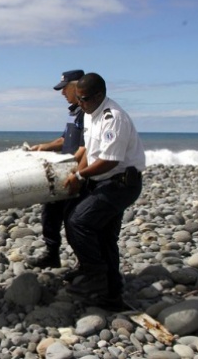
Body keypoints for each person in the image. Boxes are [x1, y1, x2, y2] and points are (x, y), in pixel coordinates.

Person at [63, 73, 145, 309]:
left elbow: (109, 160)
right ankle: (112, 295)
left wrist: (80, 175)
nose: (80, 103)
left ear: (99, 95)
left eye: (84, 99)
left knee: (79, 222)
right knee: (103, 236)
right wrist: (79, 175)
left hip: (121, 183)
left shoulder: (113, 118)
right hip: (103, 181)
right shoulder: (90, 113)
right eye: (78, 98)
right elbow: (90, 150)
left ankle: (95, 276)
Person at [26, 69, 85, 269]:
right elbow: (64, 140)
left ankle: (84, 264)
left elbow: (87, 148)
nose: (62, 93)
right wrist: (44, 147)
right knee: (50, 213)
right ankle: (52, 254)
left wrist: (77, 173)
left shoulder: (87, 113)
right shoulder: (73, 112)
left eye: (65, 89)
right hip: (64, 170)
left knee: (73, 220)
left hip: (77, 172)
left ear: (77, 87)